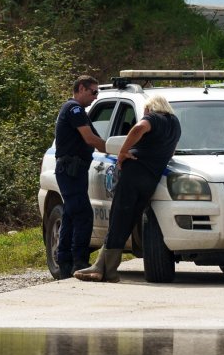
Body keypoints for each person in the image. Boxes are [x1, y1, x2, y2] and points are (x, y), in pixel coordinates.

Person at [76, 93, 182, 283]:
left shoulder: (152, 117)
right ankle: (102, 268)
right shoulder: (174, 123)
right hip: (152, 179)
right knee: (128, 220)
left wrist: (123, 151)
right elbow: (171, 150)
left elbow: (139, 128)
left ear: (150, 107)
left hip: (133, 174)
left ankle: (108, 270)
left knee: (118, 217)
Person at [52, 75, 103, 276]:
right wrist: (116, 150)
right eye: (93, 92)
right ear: (81, 88)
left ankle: (65, 261)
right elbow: (91, 139)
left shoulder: (78, 110)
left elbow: (95, 137)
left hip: (74, 170)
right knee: (82, 214)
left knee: (71, 215)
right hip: (70, 170)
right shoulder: (74, 108)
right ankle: (79, 261)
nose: (95, 97)